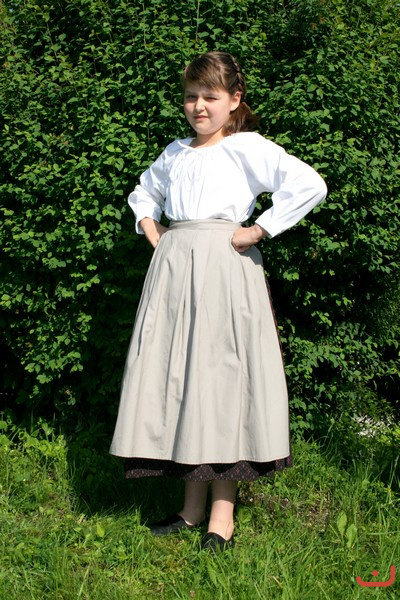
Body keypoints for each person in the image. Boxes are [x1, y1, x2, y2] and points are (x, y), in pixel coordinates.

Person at [110, 51, 327, 552]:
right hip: (174, 273)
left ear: (234, 100)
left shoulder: (246, 148)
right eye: (191, 97)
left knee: (222, 384)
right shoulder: (175, 152)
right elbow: (144, 192)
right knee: (185, 383)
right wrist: (151, 227)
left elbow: (308, 185)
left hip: (224, 272)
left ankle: (221, 519)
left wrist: (259, 229)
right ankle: (190, 512)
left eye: (210, 96)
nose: (199, 106)